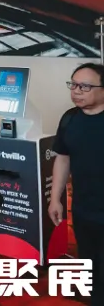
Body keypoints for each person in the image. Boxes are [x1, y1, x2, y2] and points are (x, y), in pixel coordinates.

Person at [50, 62, 104, 306]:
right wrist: (55, 198)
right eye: (73, 85)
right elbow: (63, 158)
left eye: (85, 86)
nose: (76, 91)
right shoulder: (69, 119)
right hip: (83, 207)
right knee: (90, 261)